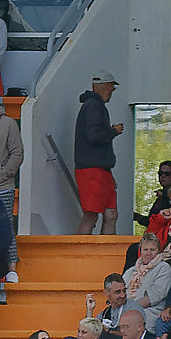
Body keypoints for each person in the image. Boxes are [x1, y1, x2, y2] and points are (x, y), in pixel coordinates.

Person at [74, 70, 123, 235]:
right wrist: (113, 131)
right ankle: (82, 254)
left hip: (99, 169)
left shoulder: (92, 105)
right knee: (91, 214)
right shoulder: (94, 106)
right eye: (112, 89)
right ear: (107, 86)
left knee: (111, 213)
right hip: (92, 170)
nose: (112, 93)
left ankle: (105, 250)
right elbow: (94, 136)